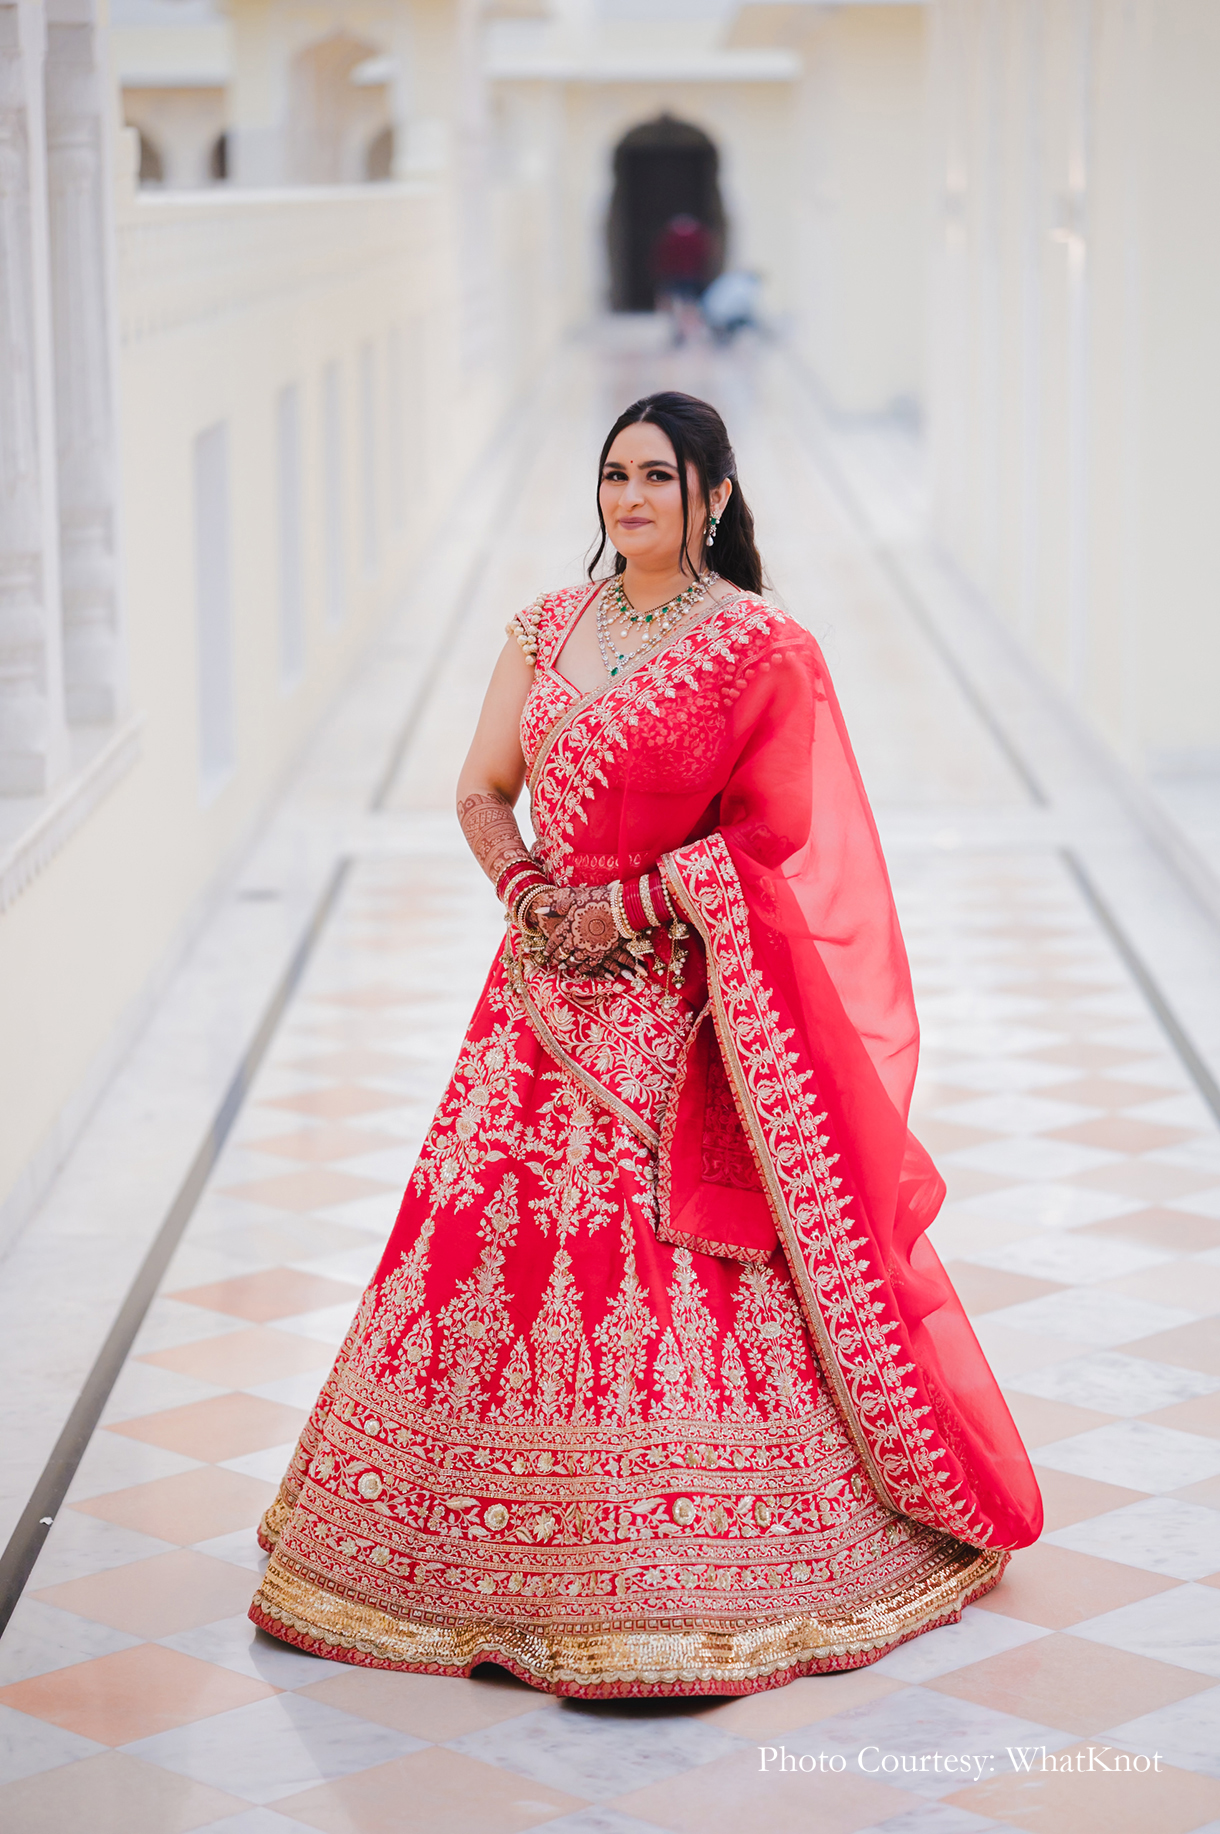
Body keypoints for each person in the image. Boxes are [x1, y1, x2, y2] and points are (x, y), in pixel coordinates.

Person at [250, 391, 1042, 1699]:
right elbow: (479, 787)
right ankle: (462, 1554)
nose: (628, 498)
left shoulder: (760, 647)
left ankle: (672, 1566)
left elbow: (773, 836)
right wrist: (527, 893)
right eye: (614, 474)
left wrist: (621, 908)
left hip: (676, 1010)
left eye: (657, 477)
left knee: (664, 1272)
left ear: (711, 496)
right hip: (532, 1006)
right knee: (493, 1258)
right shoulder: (543, 627)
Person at [651, 213, 715, 344]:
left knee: (676, 305)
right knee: (690, 305)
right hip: (692, 275)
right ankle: (690, 331)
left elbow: (662, 256)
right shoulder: (697, 237)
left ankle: (680, 331)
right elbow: (704, 255)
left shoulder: (670, 237)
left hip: (674, 275)